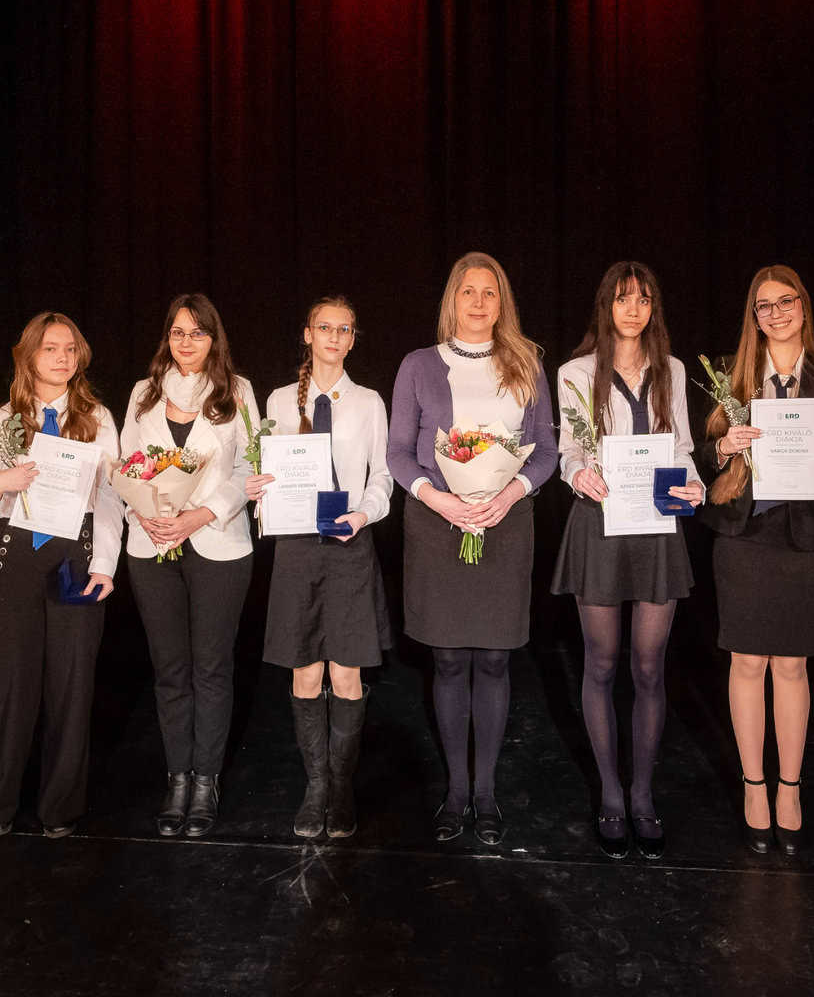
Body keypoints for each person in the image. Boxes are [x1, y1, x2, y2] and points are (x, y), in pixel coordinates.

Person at [388, 251, 557, 846]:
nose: (479, 302)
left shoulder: (527, 363)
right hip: (438, 524)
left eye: (490, 292)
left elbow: (546, 452)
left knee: (494, 661)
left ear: (502, 302)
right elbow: (398, 453)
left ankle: (485, 794)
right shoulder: (417, 365)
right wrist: (441, 500)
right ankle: (455, 792)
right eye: (469, 291)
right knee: (449, 660)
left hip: (506, 522)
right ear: (452, 300)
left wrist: (508, 494)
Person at [698, 265, 814, 857]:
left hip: (805, 537)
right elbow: (699, 454)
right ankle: (754, 786)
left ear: (804, 306)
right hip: (744, 536)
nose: (776, 313)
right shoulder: (731, 377)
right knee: (747, 662)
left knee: (792, 666)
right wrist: (723, 445)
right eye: (764, 305)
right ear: (755, 316)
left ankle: (790, 788)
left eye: (785, 301)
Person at [550, 261, 703, 860]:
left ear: (653, 307)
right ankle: (611, 795)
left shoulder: (673, 370)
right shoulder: (574, 373)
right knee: (601, 663)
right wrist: (578, 474)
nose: (633, 309)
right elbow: (568, 451)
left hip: (657, 527)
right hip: (601, 524)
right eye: (622, 299)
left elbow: (681, 447)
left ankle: (642, 794)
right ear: (606, 306)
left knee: (648, 667)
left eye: (642, 299)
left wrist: (693, 483)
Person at [0, 312, 125, 839]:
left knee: (71, 686)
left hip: (74, 559)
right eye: (50, 348)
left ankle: (60, 807)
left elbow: (111, 497)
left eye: (70, 349)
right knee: (7, 687)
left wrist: (104, 564)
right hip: (14, 559)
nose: (62, 357)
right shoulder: (1, 421)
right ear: (28, 355)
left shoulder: (97, 418)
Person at [246, 296, 394, 840]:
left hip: (350, 546)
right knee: (306, 672)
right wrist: (257, 490)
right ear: (307, 334)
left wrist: (364, 513)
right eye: (324, 327)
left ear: (353, 339)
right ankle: (316, 787)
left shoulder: (369, 402)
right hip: (297, 549)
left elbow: (383, 476)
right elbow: (266, 470)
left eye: (344, 329)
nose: (334, 336)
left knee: (347, 673)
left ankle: (342, 788)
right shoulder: (279, 400)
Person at [119, 294, 256, 838]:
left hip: (218, 542)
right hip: (152, 544)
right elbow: (128, 465)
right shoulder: (143, 393)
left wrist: (199, 514)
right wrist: (146, 512)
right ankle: (178, 778)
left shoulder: (237, 390)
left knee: (212, 669)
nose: (186, 342)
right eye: (178, 332)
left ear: (213, 339)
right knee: (170, 669)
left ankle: (206, 780)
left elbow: (248, 467)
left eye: (197, 332)